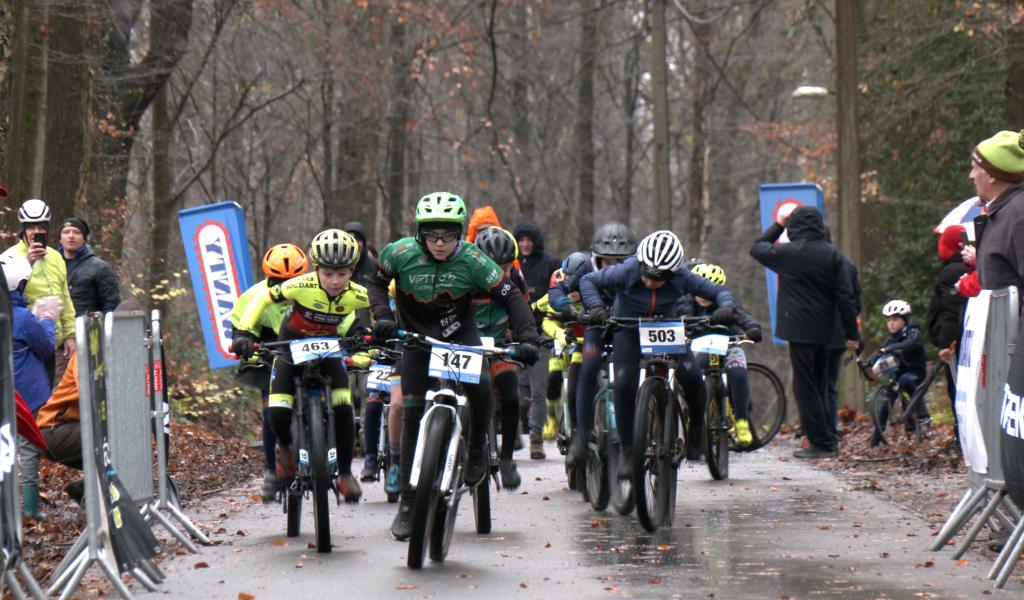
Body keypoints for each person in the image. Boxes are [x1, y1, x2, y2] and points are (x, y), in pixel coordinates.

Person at [365, 192, 539, 540]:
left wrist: (528, 336)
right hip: (416, 339)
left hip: (461, 336)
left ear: (461, 233)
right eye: (432, 235)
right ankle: (409, 505)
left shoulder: (474, 260)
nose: (441, 243)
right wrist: (382, 317)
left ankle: (475, 452)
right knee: (412, 417)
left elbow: (511, 296)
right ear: (420, 233)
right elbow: (376, 281)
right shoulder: (399, 253)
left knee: (482, 390)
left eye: (448, 235)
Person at [580, 231, 736, 477]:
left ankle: (696, 430)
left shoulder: (683, 276)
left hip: (667, 327)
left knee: (693, 377)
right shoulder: (627, 270)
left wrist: (726, 307)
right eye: (647, 275)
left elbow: (719, 291)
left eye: (659, 278)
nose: (650, 282)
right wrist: (597, 306)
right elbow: (588, 281)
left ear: (673, 273)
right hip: (629, 328)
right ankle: (629, 452)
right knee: (623, 382)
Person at [232, 229, 369, 503]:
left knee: (343, 405)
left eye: (342, 274)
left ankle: (344, 474)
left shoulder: (357, 293)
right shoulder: (300, 285)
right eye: (328, 274)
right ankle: (284, 447)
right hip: (289, 349)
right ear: (316, 269)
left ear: (352, 271)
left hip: (327, 350)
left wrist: (369, 339)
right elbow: (262, 299)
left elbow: (375, 310)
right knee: (277, 411)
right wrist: (245, 333)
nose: (334, 281)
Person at [750, 206, 859, 459]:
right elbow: (845, 295)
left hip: (798, 329)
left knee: (805, 386)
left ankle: (820, 443)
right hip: (825, 329)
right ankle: (827, 440)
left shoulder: (788, 253)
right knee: (820, 384)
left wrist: (778, 224)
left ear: (794, 227)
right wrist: (852, 332)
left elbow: (757, 247)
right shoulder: (832, 255)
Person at [551, 222, 637, 466]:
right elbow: (559, 290)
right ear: (595, 257)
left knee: (632, 373)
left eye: (620, 262)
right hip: (595, 326)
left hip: (625, 327)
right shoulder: (586, 268)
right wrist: (565, 307)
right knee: (588, 366)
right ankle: (582, 434)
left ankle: (639, 425)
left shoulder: (638, 271)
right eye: (607, 261)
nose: (612, 268)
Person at [229, 243, 308, 502]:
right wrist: (243, 343)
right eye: (278, 280)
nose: (285, 287)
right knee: (269, 409)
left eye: (292, 280)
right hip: (269, 352)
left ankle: (318, 443)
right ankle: (271, 472)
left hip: (303, 347)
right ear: (268, 277)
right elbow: (240, 329)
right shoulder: (254, 296)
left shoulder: (314, 291)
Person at [3, 254, 61, 520]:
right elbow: (47, 345)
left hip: (6, 390)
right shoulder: (22, 317)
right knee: (27, 448)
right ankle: (29, 508)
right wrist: (47, 318)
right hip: (27, 391)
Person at [473, 226, 528, 488]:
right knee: (478, 394)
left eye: (506, 268)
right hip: (469, 344)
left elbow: (522, 313)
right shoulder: (467, 279)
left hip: (500, 344)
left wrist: (525, 340)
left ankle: (506, 460)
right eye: (495, 268)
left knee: (510, 393)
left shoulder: (516, 279)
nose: (500, 275)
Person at [685, 263, 763, 448]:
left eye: (709, 294)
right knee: (691, 373)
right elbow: (678, 315)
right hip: (702, 348)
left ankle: (742, 421)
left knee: (738, 372)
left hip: (729, 345)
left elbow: (742, 315)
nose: (704, 297)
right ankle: (694, 420)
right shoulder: (686, 302)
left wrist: (752, 328)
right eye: (700, 292)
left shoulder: (727, 302)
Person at [1, 199, 76, 384]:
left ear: (48, 228)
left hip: (55, 343)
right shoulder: (8, 258)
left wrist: (70, 335)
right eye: (31, 227)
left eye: (41, 226)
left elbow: (65, 299)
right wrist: (27, 262)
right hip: (26, 344)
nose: (36, 232)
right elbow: (7, 297)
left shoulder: (56, 257)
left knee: (55, 400)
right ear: (23, 230)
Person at [512, 220, 561, 459]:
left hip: (541, 333)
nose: (525, 244)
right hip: (515, 334)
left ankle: (536, 439)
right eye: (521, 240)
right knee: (517, 390)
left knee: (538, 389)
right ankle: (514, 434)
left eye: (529, 240)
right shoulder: (511, 265)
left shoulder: (550, 264)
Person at [927, 225, 969, 447]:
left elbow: (951, 311)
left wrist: (946, 343)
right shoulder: (965, 268)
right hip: (964, 341)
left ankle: (961, 437)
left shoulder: (951, 272)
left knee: (957, 389)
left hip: (955, 344)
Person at [971, 130, 1024, 290]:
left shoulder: (1018, 217)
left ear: (992, 175)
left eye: (975, 168)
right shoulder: (1002, 213)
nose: (971, 176)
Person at [872, 300, 928, 446]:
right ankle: (877, 438)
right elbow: (881, 354)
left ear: (904, 320)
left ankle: (922, 414)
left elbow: (912, 343)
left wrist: (891, 348)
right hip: (898, 376)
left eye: (895, 320)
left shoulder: (912, 331)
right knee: (885, 402)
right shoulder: (891, 338)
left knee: (906, 380)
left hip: (915, 373)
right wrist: (870, 362)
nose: (891, 324)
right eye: (889, 320)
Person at [58, 217, 120, 315]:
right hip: (56, 327)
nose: (71, 236)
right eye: (66, 232)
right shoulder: (51, 265)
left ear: (84, 238)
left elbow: (112, 305)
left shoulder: (100, 268)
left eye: (76, 232)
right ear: (60, 239)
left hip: (87, 327)